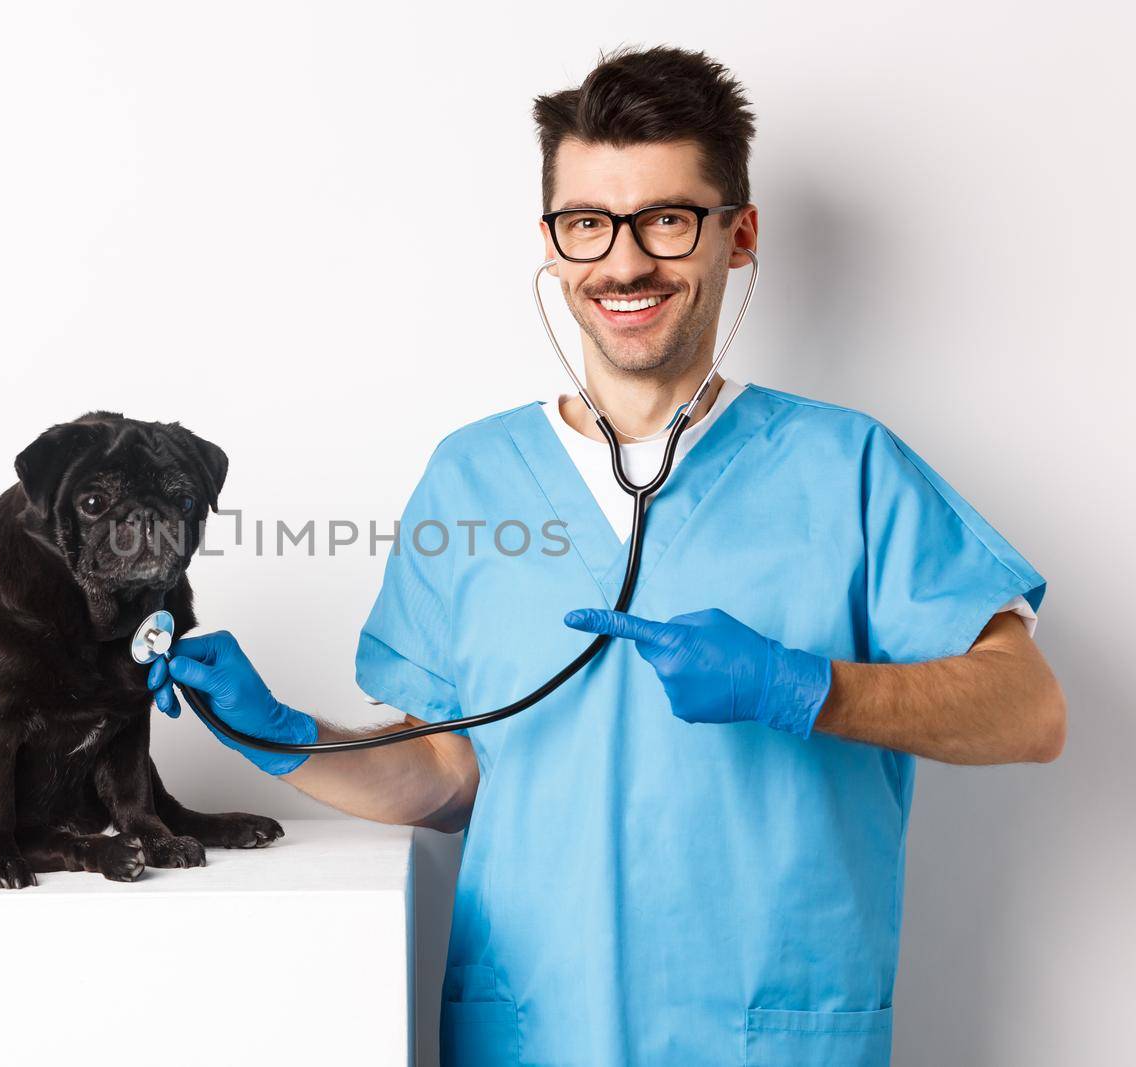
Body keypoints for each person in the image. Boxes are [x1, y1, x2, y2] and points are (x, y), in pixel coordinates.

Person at [146, 44, 1065, 1067]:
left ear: (739, 234)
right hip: (536, 1032)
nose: (622, 262)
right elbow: (457, 772)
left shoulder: (846, 466)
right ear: (552, 242)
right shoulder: (473, 477)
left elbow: (1027, 709)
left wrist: (803, 687)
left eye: (666, 218)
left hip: (772, 1036)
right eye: (587, 223)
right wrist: (283, 736)